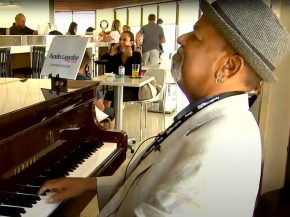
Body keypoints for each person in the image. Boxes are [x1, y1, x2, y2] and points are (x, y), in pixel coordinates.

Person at [39, 0, 289, 216]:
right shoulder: (215, 120)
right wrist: (90, 184)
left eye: (196, 36)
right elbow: (152, 180)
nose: (181, 38)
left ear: (229, 67)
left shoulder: (223, 146)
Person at [77, 51, 115, 129]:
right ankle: (106, 139)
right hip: (85, 115)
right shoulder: (88, 82)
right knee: (110, 112)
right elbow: (100, 107)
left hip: (68, 116)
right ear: (86, 66)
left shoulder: (60, 79)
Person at [104, 31, 142, 106]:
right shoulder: (116, 56)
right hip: (119, 87)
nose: (121, 42)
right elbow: (108, 72)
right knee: (109, 94)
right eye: (120, 39)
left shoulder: (136, 55)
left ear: (131, 43)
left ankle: (112, 117)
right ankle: (106, 117)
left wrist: (130, 56)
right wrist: (111, 55)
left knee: (114, 96)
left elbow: (136, 74)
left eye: (124, 40)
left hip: (132, 89)